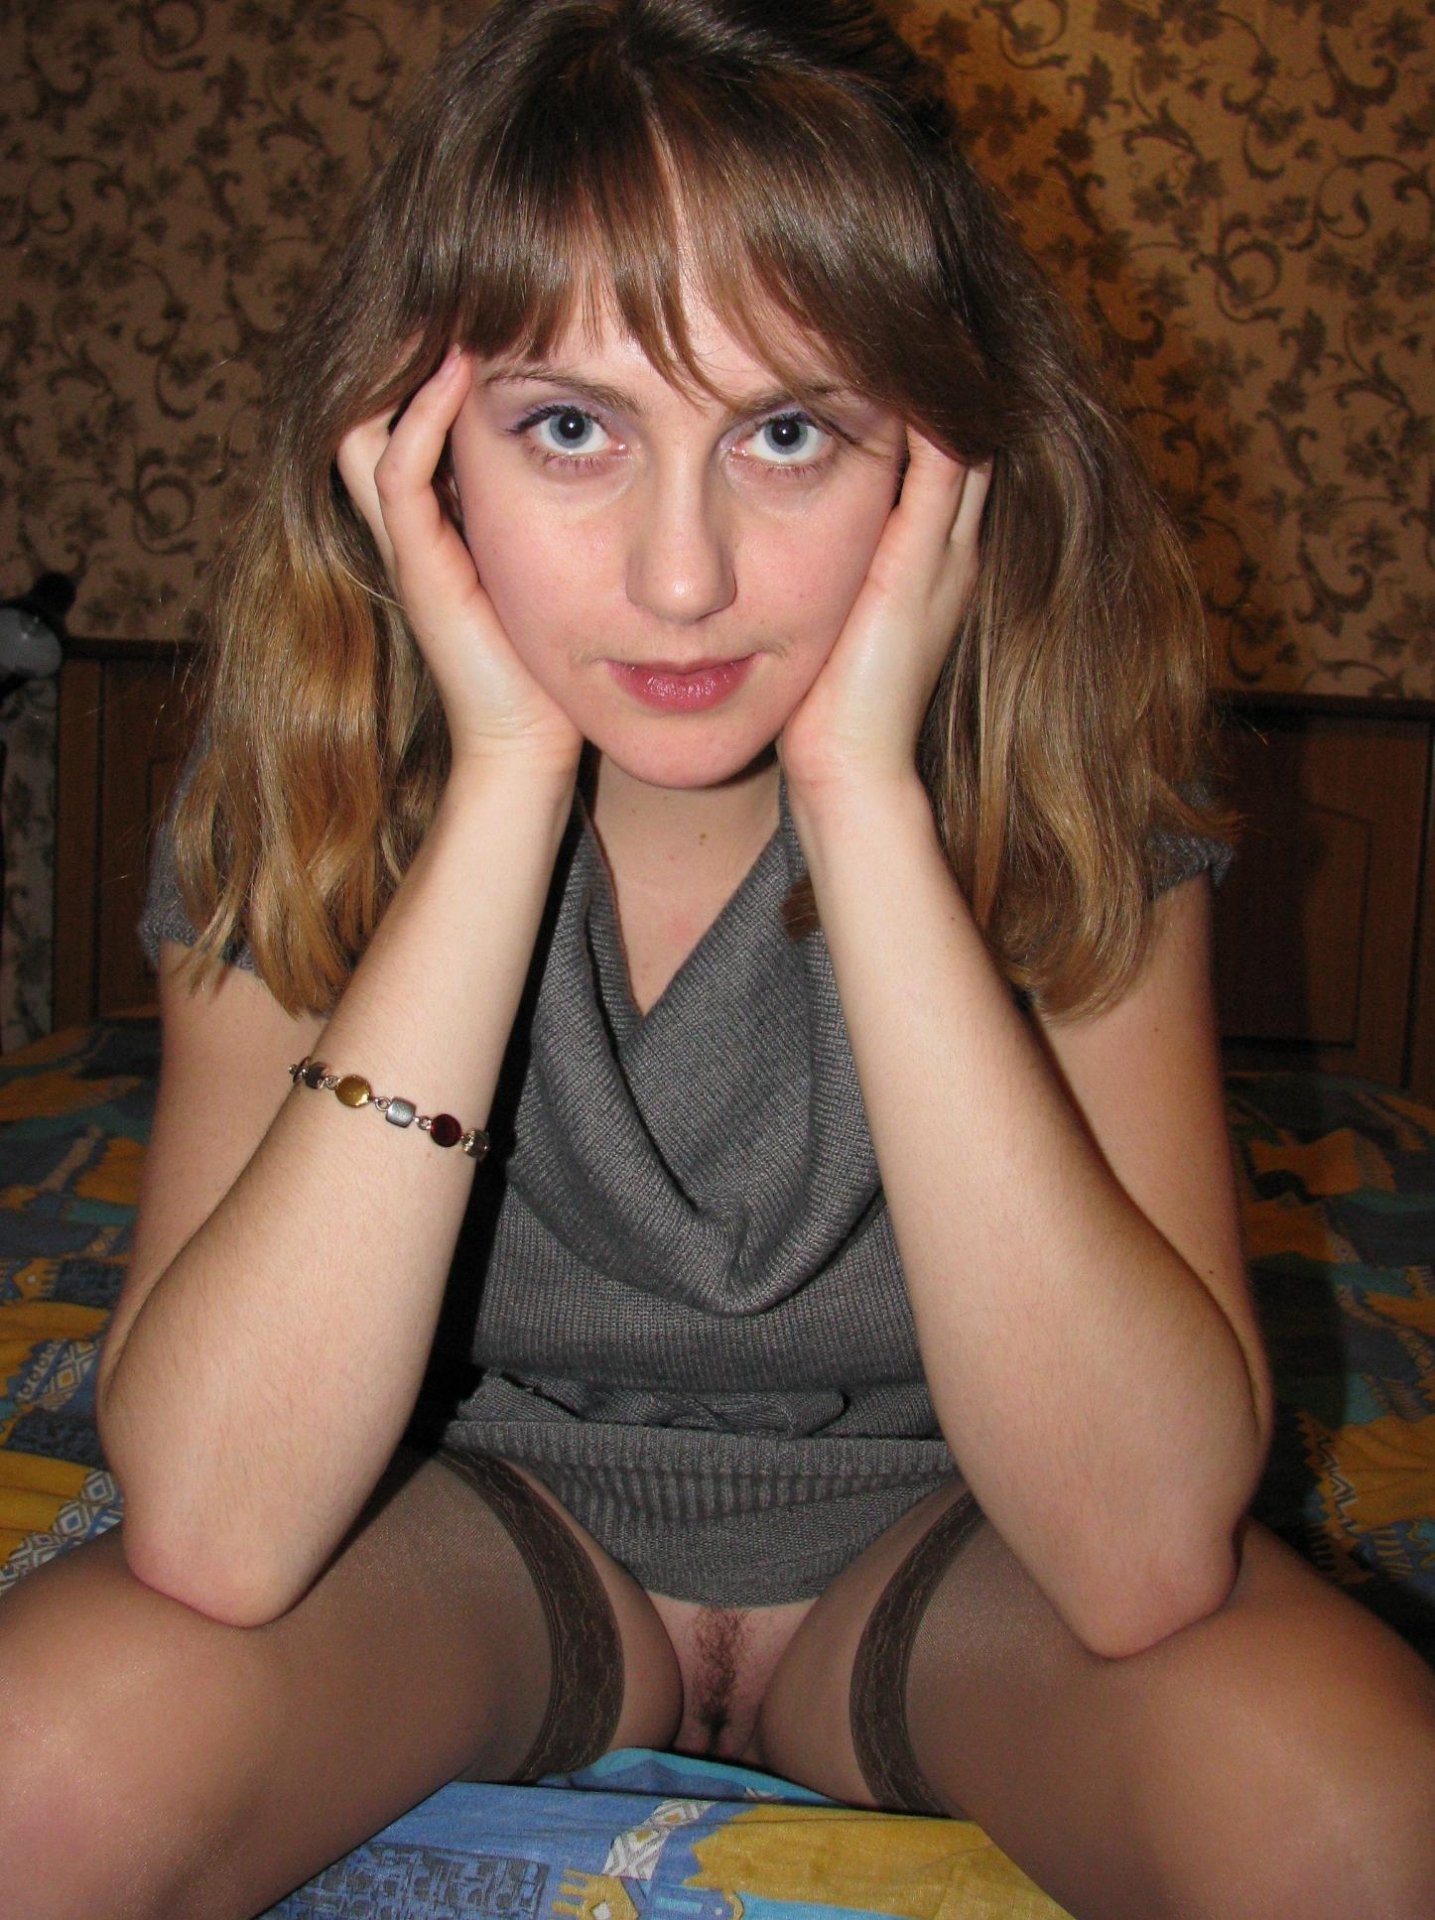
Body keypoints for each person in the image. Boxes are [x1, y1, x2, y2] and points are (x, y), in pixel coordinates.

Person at [5, 2, 1434, 1914]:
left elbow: (1144, 1557)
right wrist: (503, 784)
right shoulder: (306, 785)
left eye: (787, 433)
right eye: (570, 428)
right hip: (475, 1524)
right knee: (35, 1781)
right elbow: (216, 1526)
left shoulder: (1072, 789)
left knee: (1356, 1823)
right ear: (416, 450)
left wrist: (867, 801)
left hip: (953, 1545)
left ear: (942, 457)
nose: (682, 578)